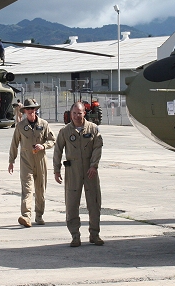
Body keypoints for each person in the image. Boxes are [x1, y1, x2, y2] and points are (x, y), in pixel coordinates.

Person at [53, 101, 104, 247]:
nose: (76, 116)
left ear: (84, 113)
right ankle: (75, 235)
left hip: (90, 171)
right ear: (70, 114)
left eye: (79, 113)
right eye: (74, 113)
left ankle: (95, 234)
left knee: (94, 203)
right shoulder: (65, 131)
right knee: (72, 204)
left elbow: (98, 147)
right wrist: (56, 170)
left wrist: (94, 165)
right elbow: (58, 151)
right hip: (72, 171)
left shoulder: (93, 129)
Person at [8, 98, 56, 227]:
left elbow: (52, 140)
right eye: (27, 109)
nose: (30, 111)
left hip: (40, 161)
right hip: (26, 161)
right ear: (24, 111)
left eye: (32, 109)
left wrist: (44, 146)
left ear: (35, 110)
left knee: (40, 189)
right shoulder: (20, 126)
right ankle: (26, 216)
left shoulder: (44, 124)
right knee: (27, 189)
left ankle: (39, 215)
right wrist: (11, 160)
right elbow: (14, 143)